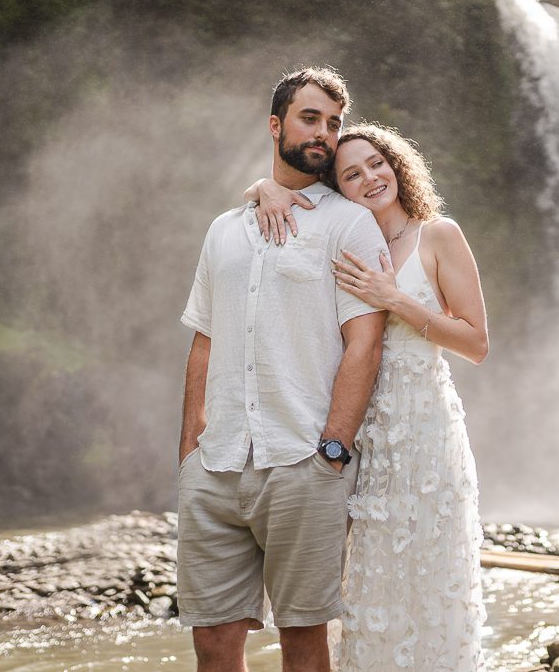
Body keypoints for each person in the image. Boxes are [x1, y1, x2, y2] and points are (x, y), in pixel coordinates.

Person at [250, 122, 488, 671]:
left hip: (427, 435)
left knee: (432, 577)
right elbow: (280, 196)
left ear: (397, 165)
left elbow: (476, 342)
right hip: (360, 438)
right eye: (352, 174)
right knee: (371, 586)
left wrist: (394, 299)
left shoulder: (438, 235)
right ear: (339, 188)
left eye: (377, 163)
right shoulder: (339, 236)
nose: (370, 178)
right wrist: (261, 189)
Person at [176, 66, 388, 672]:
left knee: (303, 640)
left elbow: (364, 344)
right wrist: (189, 448)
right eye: (310, 118)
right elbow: (204, 341)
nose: (323, 132)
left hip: (301, 460)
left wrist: (333, 451)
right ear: (276, 126)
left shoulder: (349, 223)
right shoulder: (223, 231)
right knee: (212, 642)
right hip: (215, 465)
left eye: (334, 122)